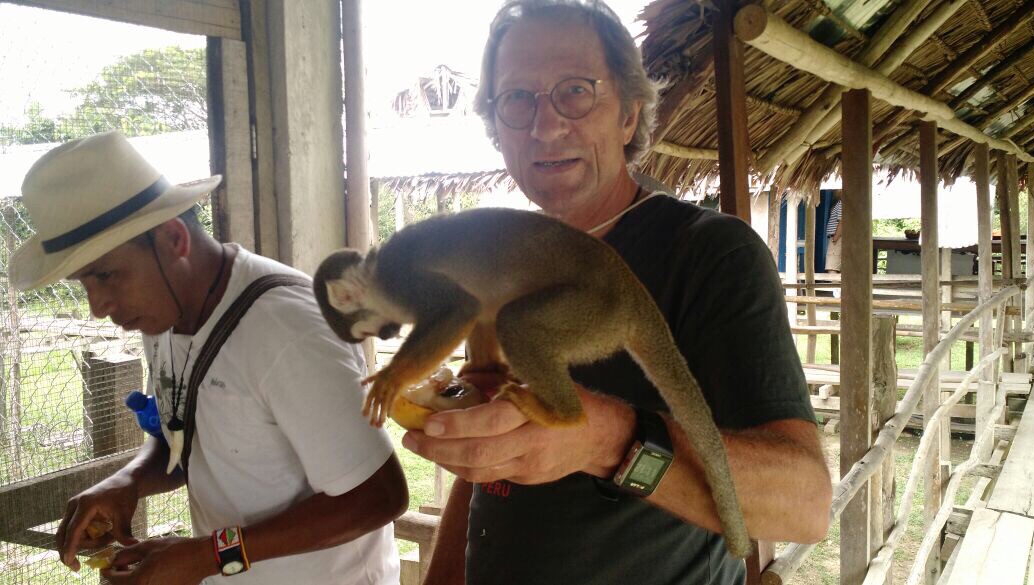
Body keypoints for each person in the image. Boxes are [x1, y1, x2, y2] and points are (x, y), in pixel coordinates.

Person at [401, 2, 833, 584]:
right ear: (496, 125)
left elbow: (804, 504)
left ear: (629, 116)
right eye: (517, 99)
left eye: (575, 92)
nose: (545, 126)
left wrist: (609, 441)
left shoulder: (708, 255)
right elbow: (490, 463)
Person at [12, 131, 407, 584]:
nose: (97, 306)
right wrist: (130, 480)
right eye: (83, 283)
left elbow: (379, 497)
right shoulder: (164, 315)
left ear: (173, 239)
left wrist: (209, 556)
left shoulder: (288, 330)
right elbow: (181, 434)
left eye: (105, 275)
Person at [826, 195, 843, 273]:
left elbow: (842, 222)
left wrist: (835, 238)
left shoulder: (841, 203)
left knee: (832, 267)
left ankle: (833, 282)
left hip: (837, 238)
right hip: (839, 238)